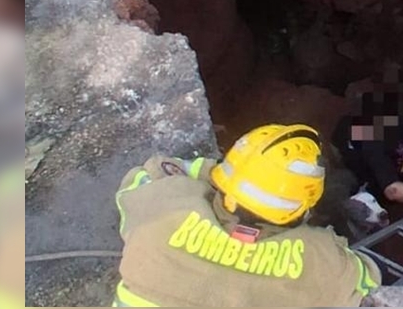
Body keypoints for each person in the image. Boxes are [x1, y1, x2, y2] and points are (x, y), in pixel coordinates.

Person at [113, 124, 380, 307]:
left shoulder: (164, 209)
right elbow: (368, 277)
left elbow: (148, 173)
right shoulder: (319, 259)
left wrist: (225, 176)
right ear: (303, 210)